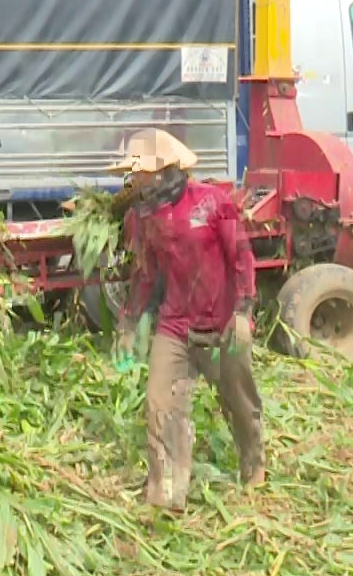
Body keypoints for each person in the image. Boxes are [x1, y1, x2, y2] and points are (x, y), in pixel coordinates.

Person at [113, 128, 264, 510]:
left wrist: (244, 311)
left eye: (142, 173)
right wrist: (130, 323)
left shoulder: (213, 203)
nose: (136, 181)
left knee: (239, 401)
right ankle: (167, 495)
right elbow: (145, 274)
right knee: (161, 404)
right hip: (175, 325)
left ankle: (254, 466)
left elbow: (242, 257)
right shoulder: (141, 218)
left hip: (222, 323)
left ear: (164, 171)